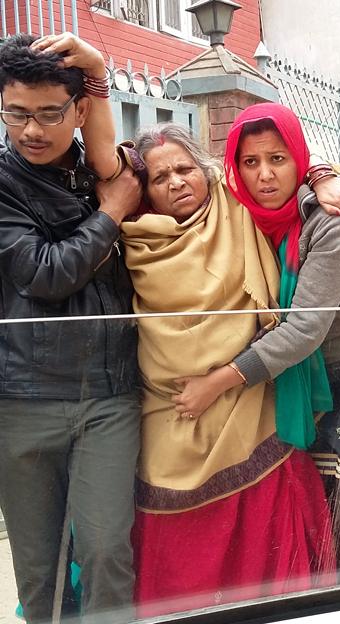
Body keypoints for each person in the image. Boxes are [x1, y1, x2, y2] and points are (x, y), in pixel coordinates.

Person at [173, 102, 340, 582]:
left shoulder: (333, 217)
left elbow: (305, 327)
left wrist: (217, 382)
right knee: (322, 504)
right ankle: (334, 607)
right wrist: (319, 169)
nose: (265, 176)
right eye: (250, 163)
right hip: (314, 371)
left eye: (279, 159)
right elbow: (178, 179)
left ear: (297, 157)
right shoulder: (240, 215)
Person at [118, 123, 340, 617]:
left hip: (248, 391)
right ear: (145, 191)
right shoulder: (129, 236)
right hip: (166, 406)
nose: (176, 183)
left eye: (185, 169)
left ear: (205, 171)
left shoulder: (237, 206)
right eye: (160, 178)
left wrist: (324, 173)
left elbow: (273, 164)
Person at [0, 34, 142, 623]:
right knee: (39, 567)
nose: (31, 129)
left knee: (107, 549)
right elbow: (43, 272)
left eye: (49, 114)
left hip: (109, 399)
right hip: (23, 400)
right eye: (15, 113)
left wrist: (320, 172)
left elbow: (209, 182)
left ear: (79, 111)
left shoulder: (104, 167)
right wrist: (112, 212)